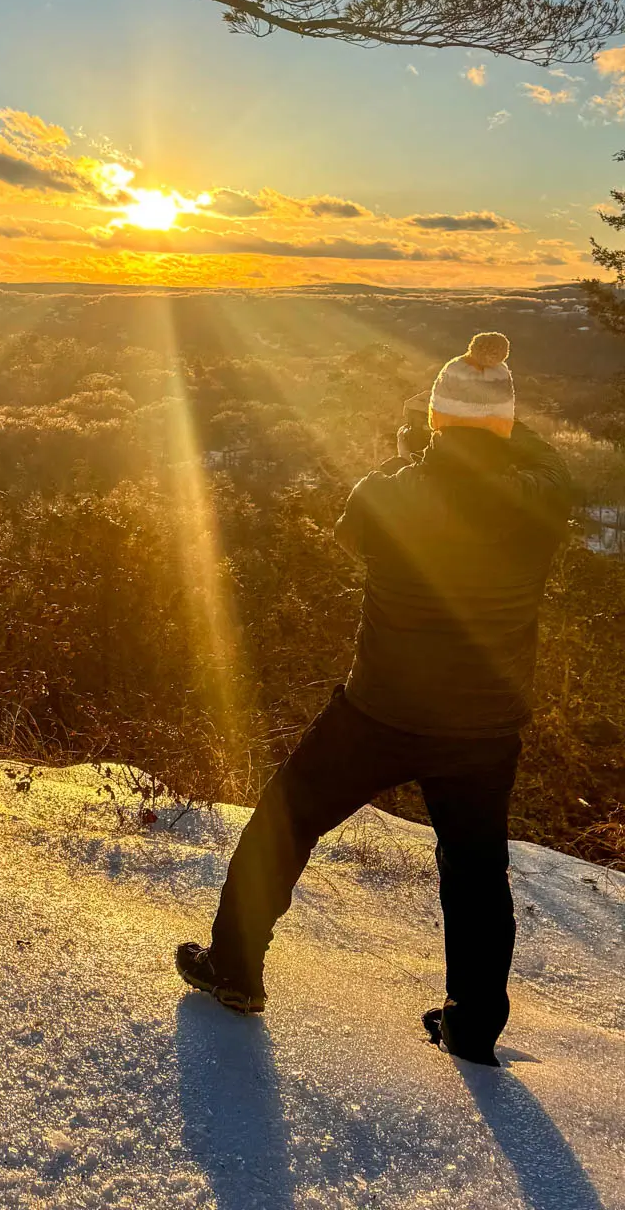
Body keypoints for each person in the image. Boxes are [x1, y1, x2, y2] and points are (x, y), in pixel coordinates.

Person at [176, 331, 572, 1066]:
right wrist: (494, 411)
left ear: (433, 422)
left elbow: (356, 525)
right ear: (507, 427)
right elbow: (545, 464)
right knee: (477, 872)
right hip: (484, 727)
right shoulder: (541, 501)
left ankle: (234, 968)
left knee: (284, 826)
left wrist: (424, 448)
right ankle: (474, 1023)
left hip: (379, 711)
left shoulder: (385, 492)